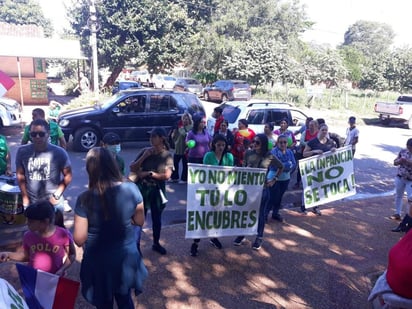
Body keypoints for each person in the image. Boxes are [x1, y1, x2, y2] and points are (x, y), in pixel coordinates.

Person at [74, 147, 147, 308]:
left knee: (103, 303)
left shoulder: (84, 199)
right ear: (113, 165)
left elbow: (79, 239)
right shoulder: (132, 189)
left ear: (90, 168)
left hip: (98, 261)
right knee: (125, 298)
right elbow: (140, 221)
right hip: (125, 257)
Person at [16, 119, 72, 225]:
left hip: (53, 201)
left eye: (41, 134)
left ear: (48, 134)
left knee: (56, 233)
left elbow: (68, 175)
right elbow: (20, 175)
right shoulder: (22, 151)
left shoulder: (59, 152)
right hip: (32, 201)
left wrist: (57, 195)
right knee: (34, 232)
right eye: (33, 134)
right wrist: (25, 197)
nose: (37, 137)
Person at [233, 134, 283, 250]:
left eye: (258, 143)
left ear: (263, 144)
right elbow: (243, 168)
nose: (254, 144)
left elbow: (281, 167)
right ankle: (242, 235)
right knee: (245, 213)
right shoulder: (248, 153)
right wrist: (246, 168)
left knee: (260, 214)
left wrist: (274, 180)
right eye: (254, 141)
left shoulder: (269, 156)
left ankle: (259, 237)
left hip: (262, 189)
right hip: (248, 189)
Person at [0, 201, 75, 276]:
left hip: (54, 277)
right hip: (33, 275)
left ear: (45, 221)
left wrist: (62, 269)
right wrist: (8, 254)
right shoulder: (28, 236)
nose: (27, 223)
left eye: (31, 221)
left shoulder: (63, 234)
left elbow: (71, 254)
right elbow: (26, 256)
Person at [129, 127, 173, 255]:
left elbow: (167, 175)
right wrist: (144, 156)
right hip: (143, 188)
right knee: (138, 218)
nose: (151, 139)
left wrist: (149, 174)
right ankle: (136, 245)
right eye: (150, 136)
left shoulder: (166, 155)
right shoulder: (145, 151)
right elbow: (132, 167)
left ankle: (156, 243)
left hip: (157, 190)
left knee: (156, 218)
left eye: (154, 136)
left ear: (162, 138)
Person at [190, 134, 234, 257]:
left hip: (222, 192)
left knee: (216, 217)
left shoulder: (229, 156)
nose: (220, 147)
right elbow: (206, 172)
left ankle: (213, 237)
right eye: (218, 145)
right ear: (213, 144)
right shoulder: (208, 156)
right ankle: (195, 243)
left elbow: (230, 173)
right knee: (203, 216)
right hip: (208, 191)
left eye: (223, 145)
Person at [302, 124, 337, 215]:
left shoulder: (330, 142)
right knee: (308, 186)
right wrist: (314, 151)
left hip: (323, 170)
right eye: (323, 130)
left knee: (319, 188)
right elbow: (304, 154)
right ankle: (304, 206)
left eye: (326, 130)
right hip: (312, 169)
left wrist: (334, 150)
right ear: (319, 130)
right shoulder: (312, 142)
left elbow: (334, 154)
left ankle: (315, 207)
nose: (324, 132)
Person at [265, 134, 296, 223]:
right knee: (271, 198)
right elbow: (274, 166)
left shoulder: (289, 152)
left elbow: (293, 164)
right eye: (281, 142)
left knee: (279, 198)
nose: (283, 144)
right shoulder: (273, 152)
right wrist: (286, 165)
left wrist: (283, 165)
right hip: (273, 178)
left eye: (284, 142)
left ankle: (275, 213)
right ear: (277, 143)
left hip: (285, 179)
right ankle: (265, 214)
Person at [390, 138, 412, 228]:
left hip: (410, 180)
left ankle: (409, 217)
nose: (409, 149)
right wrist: (399, 161)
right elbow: (395, 162)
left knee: (410, 199)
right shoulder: (403, 151)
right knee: (398, 195)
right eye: (408, 147)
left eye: (411, 147)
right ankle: (397, 213)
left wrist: (407, 161)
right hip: (400, 176)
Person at [293, 119, 319, 190]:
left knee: (311, 169)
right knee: (300, 169)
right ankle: (298, 182)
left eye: (312, 125)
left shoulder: (318, 133)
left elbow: (319, 143)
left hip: (314, 155)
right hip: (304, 153)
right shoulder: (305, 132)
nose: (310, 127)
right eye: (309, 125)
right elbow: (302, 142)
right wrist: (312, 144)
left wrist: (308, 143)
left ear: (316, 126)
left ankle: (309, 183)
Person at [170, 113, 193, 183]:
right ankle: (174, 177)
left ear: (189, 120)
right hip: (178, 148)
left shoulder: (191, 128)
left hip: (185, 149)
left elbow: (184, 134)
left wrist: (181, 129)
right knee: (175, 163)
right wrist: (173, 134)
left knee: (185, 164)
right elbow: (174, 137)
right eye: (183, 119)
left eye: (186, 119)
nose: (185, 120)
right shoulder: (179, 127)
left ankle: (184, 179)